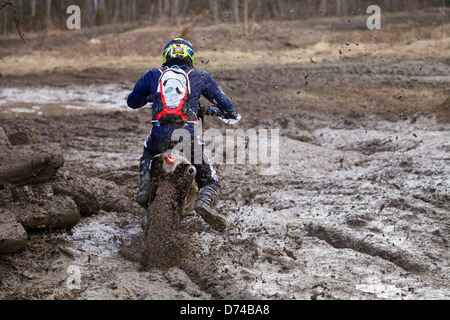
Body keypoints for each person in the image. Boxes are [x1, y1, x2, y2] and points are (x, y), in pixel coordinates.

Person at [127, 38, 240, 232]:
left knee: (148, 148)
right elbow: (227, 107)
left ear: (166, 56)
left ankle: (145, 187)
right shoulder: (200, 76)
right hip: (188, 140)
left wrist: (150, 98)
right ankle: (203, 202)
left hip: (159, 137)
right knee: (211, 181)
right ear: (191, 57)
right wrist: (215, 111)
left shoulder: (153, 74)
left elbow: (132, 102)